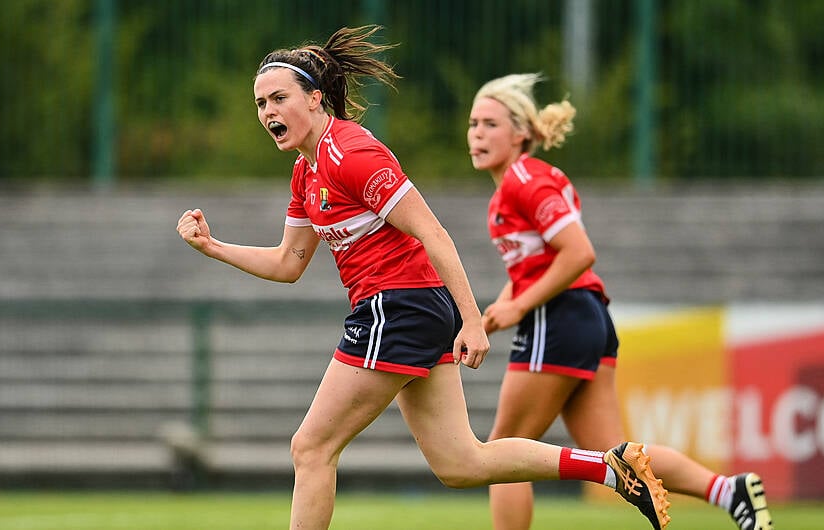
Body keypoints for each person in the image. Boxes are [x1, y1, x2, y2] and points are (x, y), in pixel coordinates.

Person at [177, 26, 669, 530]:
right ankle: (609, 467)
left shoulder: (352, 154)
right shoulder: (307, 172)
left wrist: (473, 321)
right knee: (461, 464)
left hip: (397, 306)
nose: (268, 113)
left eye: (279, 98)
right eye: (261, 104)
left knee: (310, 448)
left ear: (316, 98)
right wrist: (213, 247)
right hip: (407, 309)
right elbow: (288, 263)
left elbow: (434, 234)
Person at [467, 73, 775, 530]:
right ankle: (728, 491)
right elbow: (534, 267)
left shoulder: (525, 180)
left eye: (490, 124)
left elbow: (578, 252)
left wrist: (518, 307)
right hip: (585, 315)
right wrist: (492, 314)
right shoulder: (510, 189)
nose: (477, 134)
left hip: (563, 315)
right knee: (616, 452)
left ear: (522, 134)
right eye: (473, 123)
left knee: (504, 450)